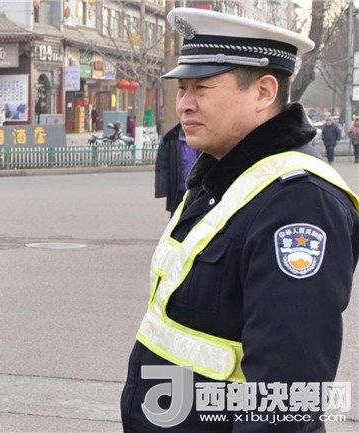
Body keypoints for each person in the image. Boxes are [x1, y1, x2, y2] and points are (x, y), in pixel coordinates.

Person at [121, 8, 359, 433]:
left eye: (202, 87)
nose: (184, 103)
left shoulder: (299, 202)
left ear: (264, 92)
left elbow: (285, 398)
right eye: (182, 88)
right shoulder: (221, 175)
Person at [154, 124, 198, 215]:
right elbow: (162, 166)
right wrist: (162, 189)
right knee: (177, 217)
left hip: (198, 190)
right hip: (178, 191)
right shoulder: (170, 140)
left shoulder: (202, 139)